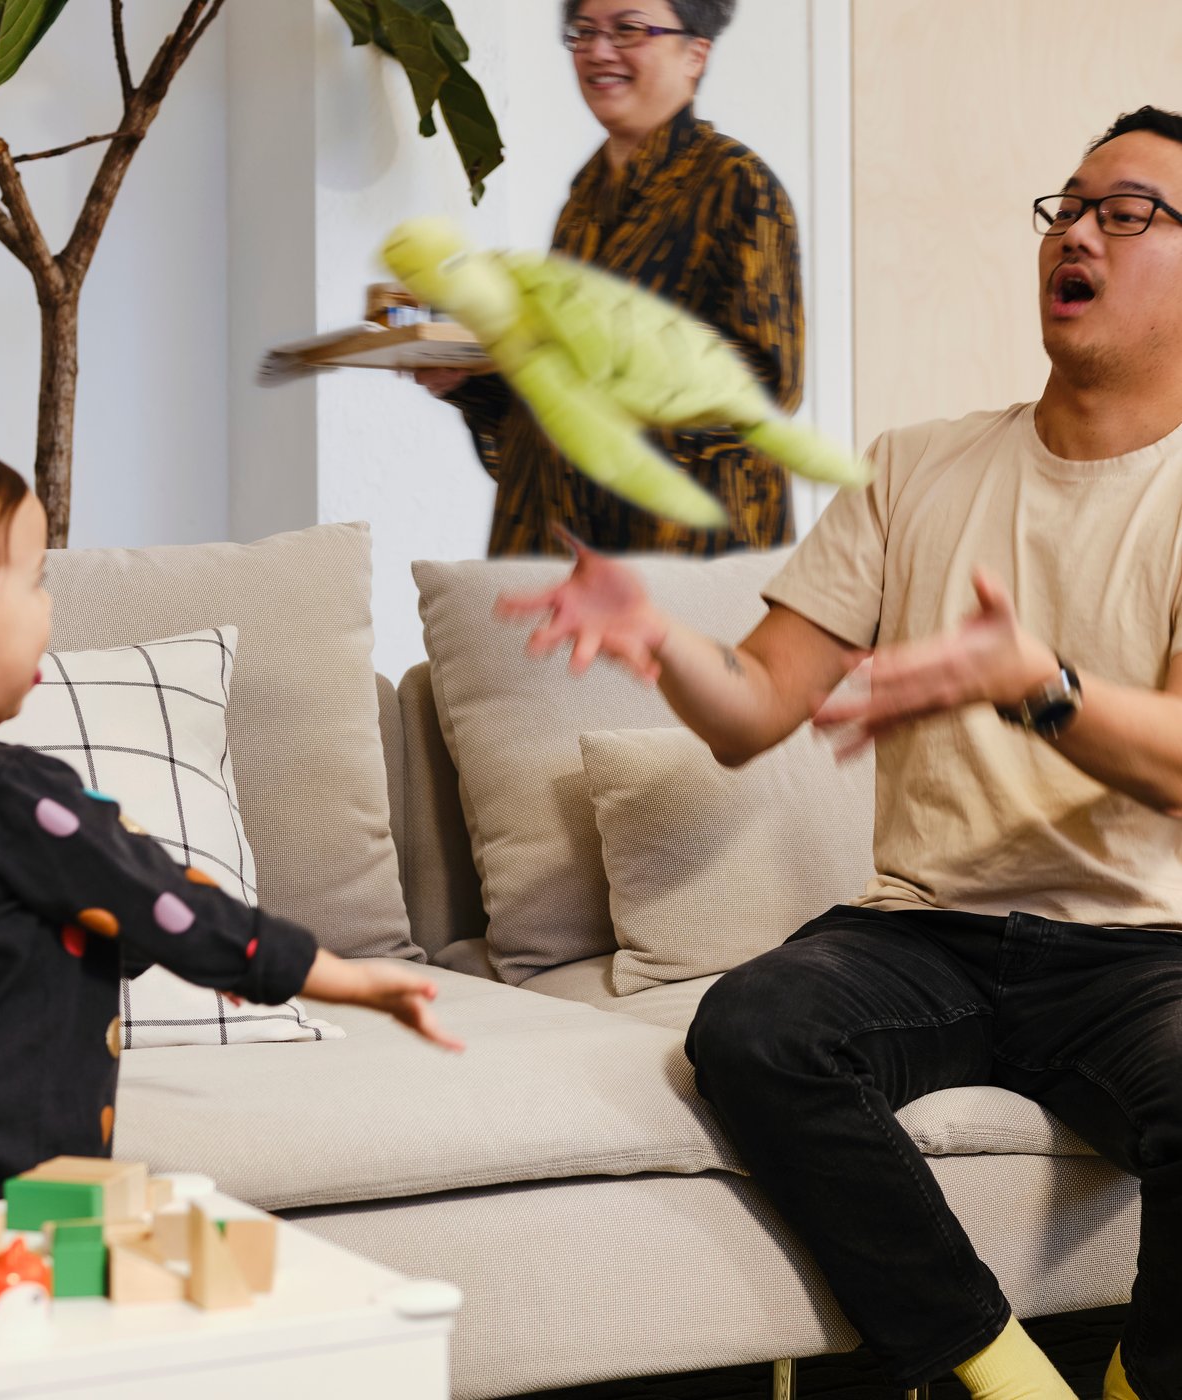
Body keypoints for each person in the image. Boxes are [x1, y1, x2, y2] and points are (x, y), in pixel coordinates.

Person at [497, 106, 1182, 1400]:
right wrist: (656, 638)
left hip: (1142, 947)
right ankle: (994, 1370)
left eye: (1129, 210)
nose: (1077, 231)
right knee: (754, 1031)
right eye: (1068, 206)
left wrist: (1037, 684)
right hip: (928, 931)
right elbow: (756, 707)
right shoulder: (916, 470)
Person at [0, 444, 463, 1209]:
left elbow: (5, 926)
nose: (49, 606)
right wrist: (344, 977)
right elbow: (159, 899)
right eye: (35, 583)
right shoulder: (10, 796)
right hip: (13, 1165)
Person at [418, 0, 803, 558]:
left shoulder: (740, 187)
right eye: (583, 32)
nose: (599, 51)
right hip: (560, 563)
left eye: (628, 29)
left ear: (696, 52)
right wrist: (472, 381)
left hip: (684, 570)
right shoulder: (582, 203)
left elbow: (767, 391)